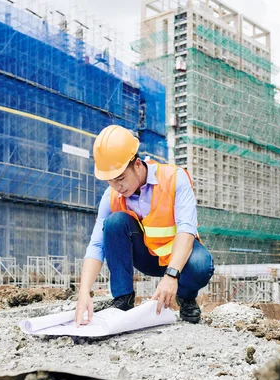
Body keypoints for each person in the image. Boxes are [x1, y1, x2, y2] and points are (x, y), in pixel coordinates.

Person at [75, 125, 214, 326]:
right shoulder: (112, 195)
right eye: (110, 182)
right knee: (114, 222)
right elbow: (96, 244)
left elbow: (186, 229)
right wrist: (84, 293)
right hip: (146, 257)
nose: (117, 187)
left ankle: (185, 298)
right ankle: (122, 301)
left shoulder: (174, 178)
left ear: (138, 164)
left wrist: (172, 275)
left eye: (121, 178)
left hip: (180, 258)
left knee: (201, 265)